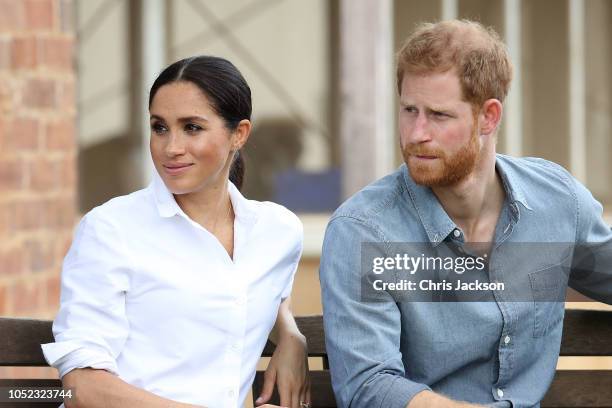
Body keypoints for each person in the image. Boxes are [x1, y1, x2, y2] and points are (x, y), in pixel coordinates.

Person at [319, 19, 612, 408]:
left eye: (438, 115)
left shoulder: (556, 202)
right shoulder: (363, 232)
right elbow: (369, 388)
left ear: (488, 117)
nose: (416, 133)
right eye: (409, 110)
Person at [42, 56, 311, 408]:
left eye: (192, 128)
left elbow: (259, 291)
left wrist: (291, 336)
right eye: (160, 127)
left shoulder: (278, 232)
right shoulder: (110, 229)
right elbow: (82, 388)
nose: (171, 148)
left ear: (239, 134)